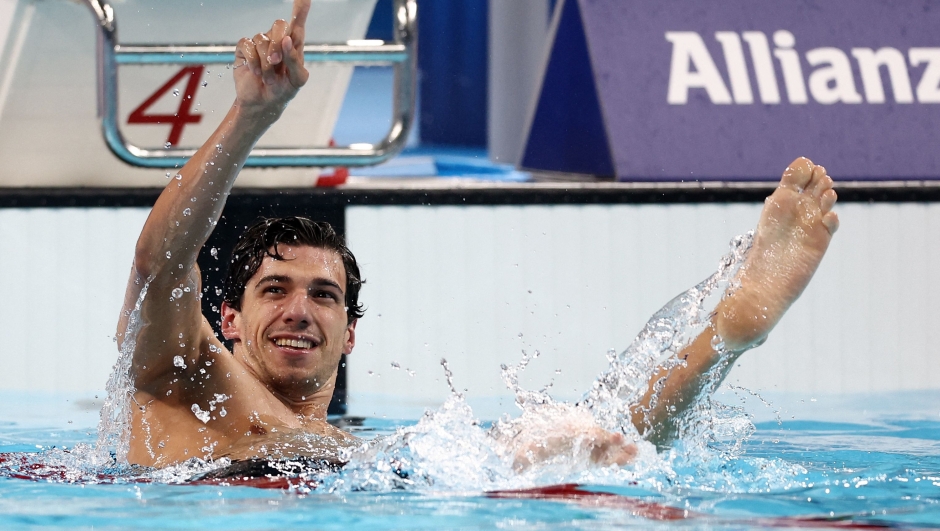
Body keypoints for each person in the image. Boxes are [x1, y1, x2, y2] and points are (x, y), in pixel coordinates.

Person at [118, 0, 838, 469]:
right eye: (274, 289)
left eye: (325, 295)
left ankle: (727, 337)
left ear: (351, 335)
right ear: (227, 318)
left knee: (574, 442)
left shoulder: (358, 455)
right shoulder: (183, 378)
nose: (300, 309)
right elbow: (161, 260)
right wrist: (253, 119)